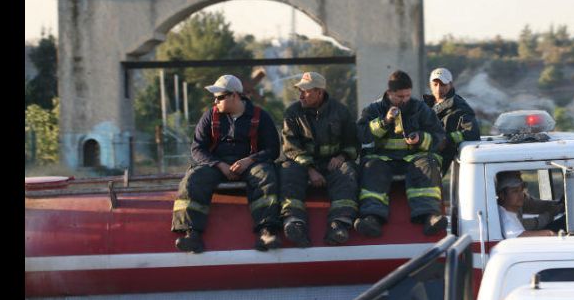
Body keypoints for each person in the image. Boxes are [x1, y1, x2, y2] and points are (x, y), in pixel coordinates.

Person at [171, 74, 282, 253]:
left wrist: (250, 160)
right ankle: (192, 234)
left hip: (250, 165)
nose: (215, 101)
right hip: (217, 165)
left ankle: (266, 232)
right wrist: (219, 164)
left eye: (220, 97)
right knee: (193, 179)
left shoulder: (261, 117)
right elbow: (197, 149)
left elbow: (273, 149)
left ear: (235, 96)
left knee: (265, 176)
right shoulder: (210, 116)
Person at [355, 70, 447, 237]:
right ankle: (372, 218)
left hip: (414, 159)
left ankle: (430, 217)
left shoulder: (421, 109)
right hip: (383, 160)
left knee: (428, 163)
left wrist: (420, 138)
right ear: (389, 92)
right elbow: (361, 134)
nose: (404, 100)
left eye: (407, 95)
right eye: (400, 96)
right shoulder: (374, 109)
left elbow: (440, 138)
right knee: (371, 168)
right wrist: (384, 121)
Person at [279, 72, 360, 246]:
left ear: (320, 92)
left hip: (332, 164)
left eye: (306, 91)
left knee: (348, 170)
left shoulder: (341, 111)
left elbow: (353, 143)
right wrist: (310, 169)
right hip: (303, 165)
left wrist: (342, 156)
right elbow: (290, 147)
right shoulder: (292, 112)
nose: (301, 95)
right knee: (288, 169)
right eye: (300, 91)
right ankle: (294, 222)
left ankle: (338, 224)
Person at [423, 67, 480, 177]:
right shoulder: (425, 106)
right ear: (430, 85)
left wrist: (447, 139)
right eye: (435, 84)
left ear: (451, 85)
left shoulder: (460, 108)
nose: (438, 89)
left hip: (436, 161)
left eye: (443, 85)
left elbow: (472, 133)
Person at [496, 171, 565, 238]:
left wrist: (558, 206)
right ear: (502, 195)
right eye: (515, 191)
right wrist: (549, 233)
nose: (521, 194)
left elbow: (538, 205)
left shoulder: (508, 213)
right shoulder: (505, 217)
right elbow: (518, 236)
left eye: (521, 190)